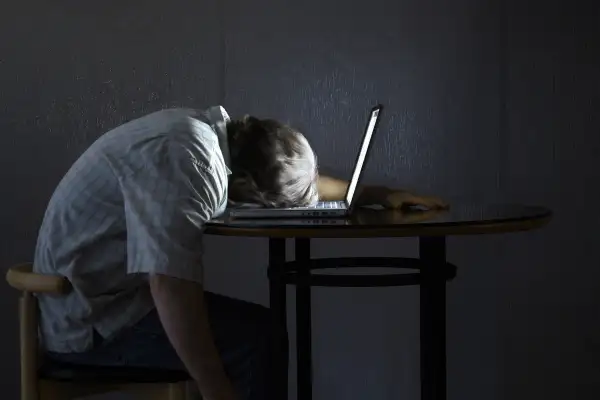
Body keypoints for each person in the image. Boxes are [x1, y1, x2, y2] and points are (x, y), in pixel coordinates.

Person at [33, 105, 447, 400]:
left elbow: (291, 180)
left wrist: (376, 195)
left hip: (104, 300)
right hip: (91, 325)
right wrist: (219, 393)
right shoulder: (187, 166)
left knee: (258, 331)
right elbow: (170, 287)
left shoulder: (206, 139)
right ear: (246, 187)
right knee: (258, 338)